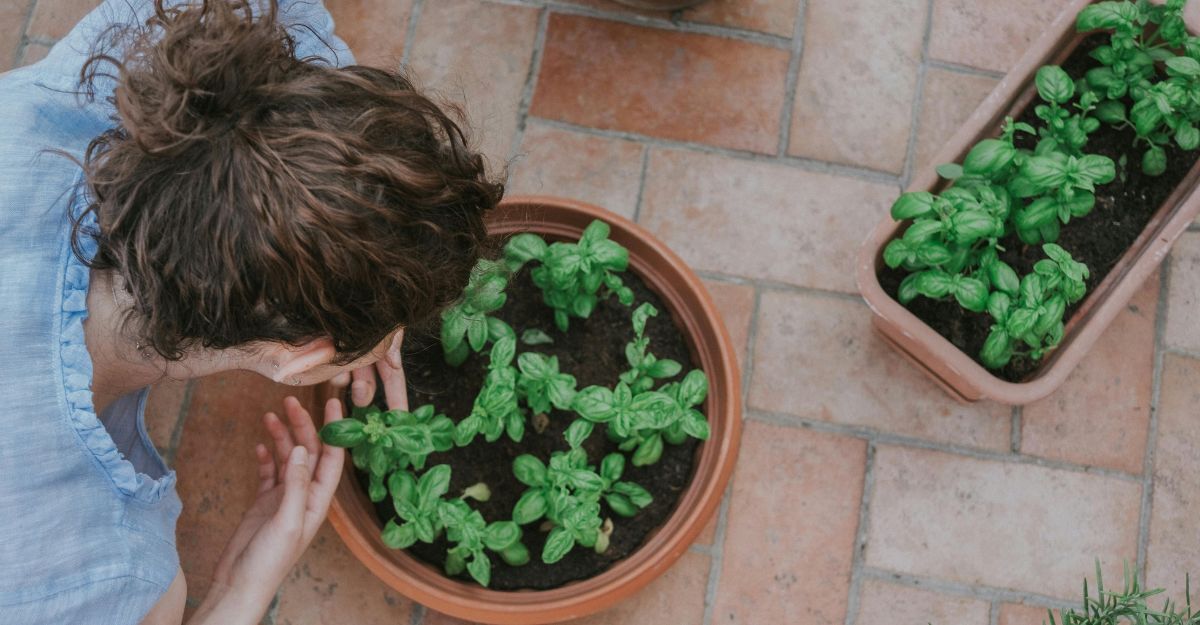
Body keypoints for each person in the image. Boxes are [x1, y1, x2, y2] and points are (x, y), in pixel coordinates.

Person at [0, 0, 502, 622]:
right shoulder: (91, 570)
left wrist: (348, 231)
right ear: (303, 359)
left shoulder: (89, 81)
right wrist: (242, 589)